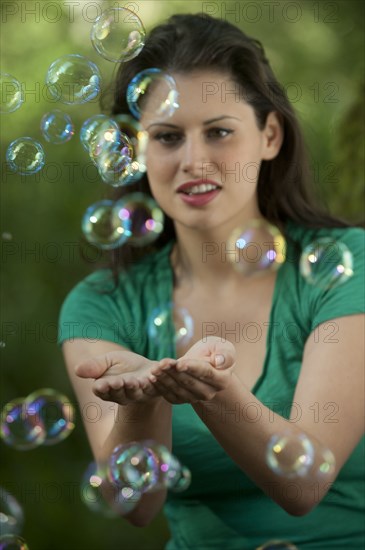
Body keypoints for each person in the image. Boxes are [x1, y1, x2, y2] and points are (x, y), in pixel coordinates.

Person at [58, 13, 364, 549]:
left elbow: (304, 484)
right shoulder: (102, 304)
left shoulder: (346, 265)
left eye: (219, 131)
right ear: (135, 149)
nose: (194, 161)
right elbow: (133, 503)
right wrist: (144, 400)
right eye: (168, 137)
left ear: (269, 135)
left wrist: (212, 393)